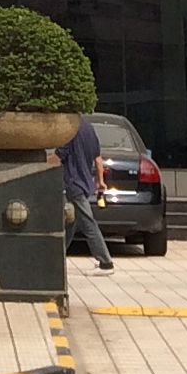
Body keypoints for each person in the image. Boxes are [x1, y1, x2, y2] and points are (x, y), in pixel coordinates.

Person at [60, 111, 116, 272]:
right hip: (85, 183)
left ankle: (105, 262)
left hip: (73, 183)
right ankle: (57, 257)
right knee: (71, 222)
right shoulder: (89, 128)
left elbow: (58, 157)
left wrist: (39, 166)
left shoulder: (70, 130)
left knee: (87, 222)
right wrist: (100, 181)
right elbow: (98, 159)